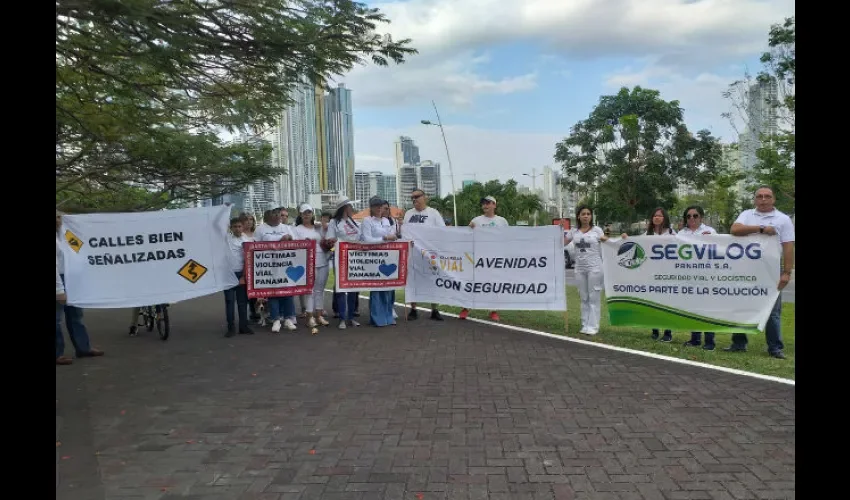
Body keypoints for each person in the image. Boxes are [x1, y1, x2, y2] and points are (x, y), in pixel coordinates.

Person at [725, 186, 794, 359]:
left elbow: (788, 247)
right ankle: (739, 343)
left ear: (774, 199)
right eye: (759, 196)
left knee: (772, 309)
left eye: (767, 196)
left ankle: (775, 348)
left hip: (770, 270)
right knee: (741, 305)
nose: (763, 199)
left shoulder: (783, 219)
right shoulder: (747, 214)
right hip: (745, 268)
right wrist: (762, 229)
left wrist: (786, 272)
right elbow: (734, 230)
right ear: (755, 199)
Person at [621, 207, 676, 342]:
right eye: (655, 216)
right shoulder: (648, 234)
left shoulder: (671, 233)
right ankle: (655, 330)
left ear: (665, 218)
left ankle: (668, 332)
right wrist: (625, 238)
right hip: (651, 274)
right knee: (653, 303)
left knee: (667, 304)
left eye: (660, 216)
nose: (657, 218)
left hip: (667, 274)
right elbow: (635, 243)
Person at [56, 211, 104, 365]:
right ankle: (57, 353)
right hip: (59, 279)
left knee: (76, 315)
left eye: (59, 217)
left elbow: (80, 251)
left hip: (73, 279)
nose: (58, 220)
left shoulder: (66, 235)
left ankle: (83, 348)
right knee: (56, 319)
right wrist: (59, 290)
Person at [460, 196, 509, 322]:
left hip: (494, 259)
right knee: (472, 283)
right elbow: (466, 235)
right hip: (478, 258)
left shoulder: (502, 221)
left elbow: (507, 238)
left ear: (494, 205)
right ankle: (465, 308)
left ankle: (493, 311)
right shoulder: (476, 220)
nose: (485, 206)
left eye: (488, 203)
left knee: (494, 285)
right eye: (483, 204)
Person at [401, 188, 445, 321]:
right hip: (413, 254)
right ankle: (413, 309)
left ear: (425, 197)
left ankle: (434, 309)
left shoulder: (433, 213)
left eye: (417, 197)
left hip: (429, 254)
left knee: (433, 280)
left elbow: (442, 231)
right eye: (412, 198)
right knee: (413, 281)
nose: (414, 200)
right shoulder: (408, 214)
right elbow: (405, 232)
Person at [564, 205, 609, 335]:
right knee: (583, 297)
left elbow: (608, 242)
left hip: (595, 268)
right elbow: (561, 243)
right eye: (583, 214)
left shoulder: (597, 230)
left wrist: (622, 240)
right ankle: (585, 324)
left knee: (593, 297)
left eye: (588, 214)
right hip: (580, 268)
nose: (586, 216)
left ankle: (593, 326)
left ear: (591, 216)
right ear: (578, 216)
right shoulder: (574, 231)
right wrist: (558, 230)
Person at [678, 205, 717, 350]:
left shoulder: (710, 231)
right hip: (689, 276)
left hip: (707, 276)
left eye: (695, 216)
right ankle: (695, 339)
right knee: (693, 309)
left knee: (707, 309)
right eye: (688, 216)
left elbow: (717, 249)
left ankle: (709, 341)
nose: (692, 219)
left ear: (701, 217)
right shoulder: (682, 233)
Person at [256, 208, 298, 332]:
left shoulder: (286, 228)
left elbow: (296, 243)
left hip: (285, 265)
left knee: (288, 293)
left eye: (278, 214)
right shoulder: (261, 229)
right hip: (269, 266)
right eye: (274, 214)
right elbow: (254, 247)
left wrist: (289, 238)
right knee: (273, 294)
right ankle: (276, 320)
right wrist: (280, 240)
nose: (277, 216)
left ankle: (288, 319)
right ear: (268, 216)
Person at [361, 197, 399, 327]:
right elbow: (367, 239)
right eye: (376, 205)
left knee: (388, 287)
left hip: (388, 257)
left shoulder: (386, 221)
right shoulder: (367, 221)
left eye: (380, 206)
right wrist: (384, 238)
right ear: (371, 207)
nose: (379, 208)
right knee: (377, 288)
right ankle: (377, 318)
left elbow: (392, 236)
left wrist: (390, 236)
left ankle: (388, 316)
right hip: (374, 259)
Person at [293, 204, 331, 331]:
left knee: (320, 289)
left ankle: (319, 315)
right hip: (308, 262)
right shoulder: (297, 229)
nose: (307, 215)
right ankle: (310, 316)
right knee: (311, 290)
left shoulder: (318, 227)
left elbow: (329, 236)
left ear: (312, 214)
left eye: (309, 212)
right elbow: (295, 246)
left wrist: (325, 226)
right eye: (304, 213)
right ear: (300, 214)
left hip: (323, 260)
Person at [327, 197, 362, 329]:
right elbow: (330, 239)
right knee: (341, 288)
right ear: (345, 207)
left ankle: (351, 317)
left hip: (354, 259)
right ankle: (342, 317)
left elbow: (360, 236)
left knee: (353, 288)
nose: (352, 209)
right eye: (350, 206)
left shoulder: (353, 221)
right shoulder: (334, 222)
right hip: (340, 258)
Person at [223, 217, 254, 337]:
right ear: (231, 228)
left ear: (243, 227)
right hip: (227, 274)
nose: (237, 228)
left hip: (241, 273)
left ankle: (243, 326)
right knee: (229, 301)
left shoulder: (247, 240)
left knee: (242, 302)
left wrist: (244, 276)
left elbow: (249, 259)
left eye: (239, 226)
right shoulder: (226, 239)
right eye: (235, 226)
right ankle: (230, 327)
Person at [239, 213, 261, 321]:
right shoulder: (241, 235)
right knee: (245, 291)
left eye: (251, 219)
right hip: (243, 265)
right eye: (246, 220)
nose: (249, 222)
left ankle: (254, 311)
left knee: (255, 290)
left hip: (256, 265)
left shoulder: (256, 234)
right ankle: (246, 314)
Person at [381, 201, 400, 320]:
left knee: (391, 284)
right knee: (380, 285)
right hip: (379, 257)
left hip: (393, 256)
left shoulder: (395, 222)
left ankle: (390, 307)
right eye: (383, 209)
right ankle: (381, 309)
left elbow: (399, 236)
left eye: (387, 209)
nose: (385, 211)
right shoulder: (374, 222)